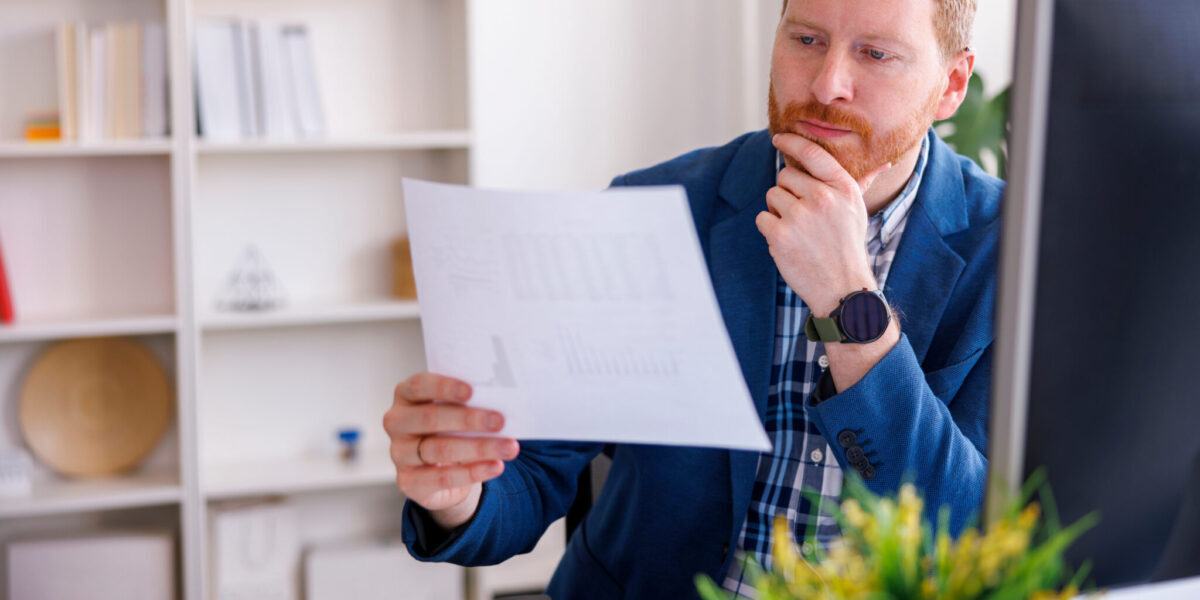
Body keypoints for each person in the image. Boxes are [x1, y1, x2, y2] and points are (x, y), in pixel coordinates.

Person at [383, 0, 1001, 597]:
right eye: (806, 40)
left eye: (875, 53)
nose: (827, 83)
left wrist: (847, 298)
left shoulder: (1015, 252)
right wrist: (456, 492)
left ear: (950, 85)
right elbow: (534, 469)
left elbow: (975, 535)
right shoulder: (656, 207)